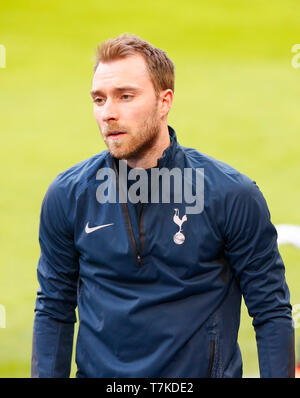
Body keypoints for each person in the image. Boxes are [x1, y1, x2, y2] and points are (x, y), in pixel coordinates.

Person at [31, 33, 295, 378]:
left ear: (164, 101)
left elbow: (271, 311)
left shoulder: (231, 195)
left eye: (125, 96)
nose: (108, 113)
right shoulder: (68, 195)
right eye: (99, 99)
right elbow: (54, 309)